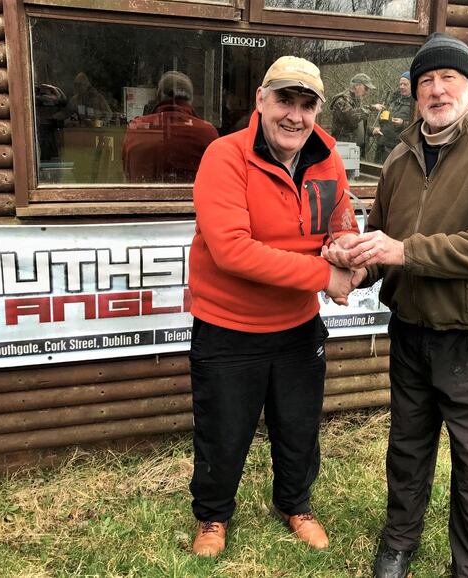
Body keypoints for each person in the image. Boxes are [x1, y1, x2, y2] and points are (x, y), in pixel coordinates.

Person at [322, 32, 468, 578]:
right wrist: (353, 262)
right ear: (414, 94)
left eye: (449, 79)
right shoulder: (397, 157)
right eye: (426, 82)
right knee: (408, 448)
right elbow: (383, 238)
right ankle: (398, 544)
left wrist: (402, 250)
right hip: (410, 331)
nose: (437, 91)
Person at [187, 55, 360, 557]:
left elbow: (341, 223)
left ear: (318, 111)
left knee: (299, 425)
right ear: (261, 101)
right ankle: (213, 516)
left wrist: (348, 252)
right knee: (223, 429)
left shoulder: (327, 158)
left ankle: (295, 504)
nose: (295, 115)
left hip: (298, 325)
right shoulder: (224, 156)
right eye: (285, 100)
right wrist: (326, 275)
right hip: (229, 325)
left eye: (307, 105)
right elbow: (232, 251)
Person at [121, 71, 219, 183]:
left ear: (157, 97)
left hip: (141, 199)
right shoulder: (207, 132)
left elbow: (127, 173)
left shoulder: (137, 129)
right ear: (191, 100)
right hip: (192, 200)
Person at [330, 73, 384, 157]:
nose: (367, 91)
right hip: (343, 150)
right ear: (357, 86)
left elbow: (357, 126)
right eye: (366, 88)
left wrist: (371, 131)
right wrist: (371, 108)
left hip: (355, 150)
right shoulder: (341, 100)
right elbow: (351, 117)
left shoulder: (356, 101)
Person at [371, 71, 412, 164]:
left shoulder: (416, 103)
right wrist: (381, 119)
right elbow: (384, 121)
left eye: (405, 84)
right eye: (400, 84)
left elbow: (418, 126)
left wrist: (403, 123)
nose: (401, 86)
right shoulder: (394, 98)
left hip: (398, 147)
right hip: (382, 143)